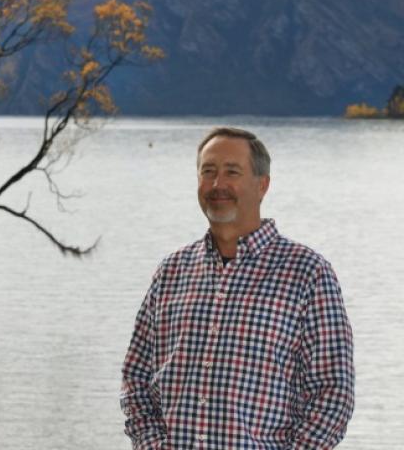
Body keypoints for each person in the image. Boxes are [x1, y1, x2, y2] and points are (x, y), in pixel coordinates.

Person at [120, 127, 354, 449]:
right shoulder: (171, 272)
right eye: (208, 172)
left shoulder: (308, 274)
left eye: (232, 172)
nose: (218, 185)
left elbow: (332, 394)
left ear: (262, 185)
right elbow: (136, 378)